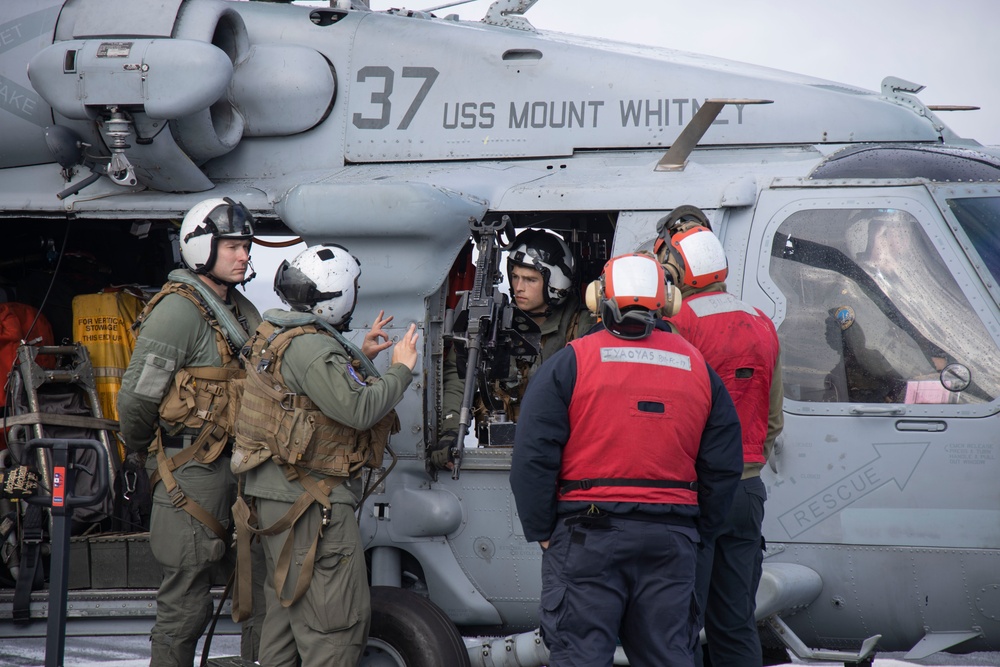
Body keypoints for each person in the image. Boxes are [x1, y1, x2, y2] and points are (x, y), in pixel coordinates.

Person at [510, 252, 743, 667]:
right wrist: (698, 531)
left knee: (580, 655)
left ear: (598, 297)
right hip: (672, 539)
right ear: (667, 301)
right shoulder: (698, 367)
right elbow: (723, 466)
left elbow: (532, 456)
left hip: (586, 538)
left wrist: (542, 529)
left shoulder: (571, 362)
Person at [231, 244, 418, 667]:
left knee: (282, 624)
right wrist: (401, 369)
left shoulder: (276, 333)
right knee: (336, 629)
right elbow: (361, 409)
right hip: (311, 505)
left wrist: (361, 355)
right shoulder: (315, 349)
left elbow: (311, 389)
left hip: (276, 499)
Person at [117, 197, 263, 667]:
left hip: (243, 474)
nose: (244, 255)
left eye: (246, 245)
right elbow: (138, 398)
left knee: (261, 594)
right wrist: (135, 454)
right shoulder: (177, 313)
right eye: (234, 246)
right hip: (191, 477)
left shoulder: (240, 308)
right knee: (185, 607)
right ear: (203, 249)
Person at [655, 207, 783, 667]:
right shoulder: (761, 321)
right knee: (735, 624)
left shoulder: (678, 325)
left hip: (696, 493)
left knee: (680, 625)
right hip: (748, 490)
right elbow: (773, 419)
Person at [436, 229, 595, 464]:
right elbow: (460, 375)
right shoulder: (493, 324)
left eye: (530, 279)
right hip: (500, 454)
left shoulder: (583, 329)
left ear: (556, 284)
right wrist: (450, 431)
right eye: (515, 276)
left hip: (564, 455)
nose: (519, 287)